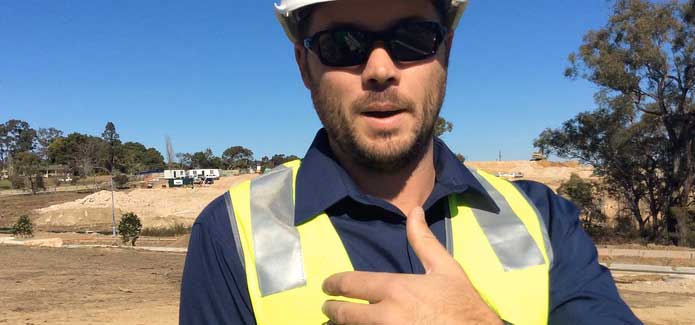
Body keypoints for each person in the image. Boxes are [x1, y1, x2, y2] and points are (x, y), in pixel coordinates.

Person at [180, 0, 641, 324]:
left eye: (414, 38)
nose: (380, 69)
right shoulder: (230, 235)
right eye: (343, 44)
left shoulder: (543, 218)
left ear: (446, 52)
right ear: (305, 66)